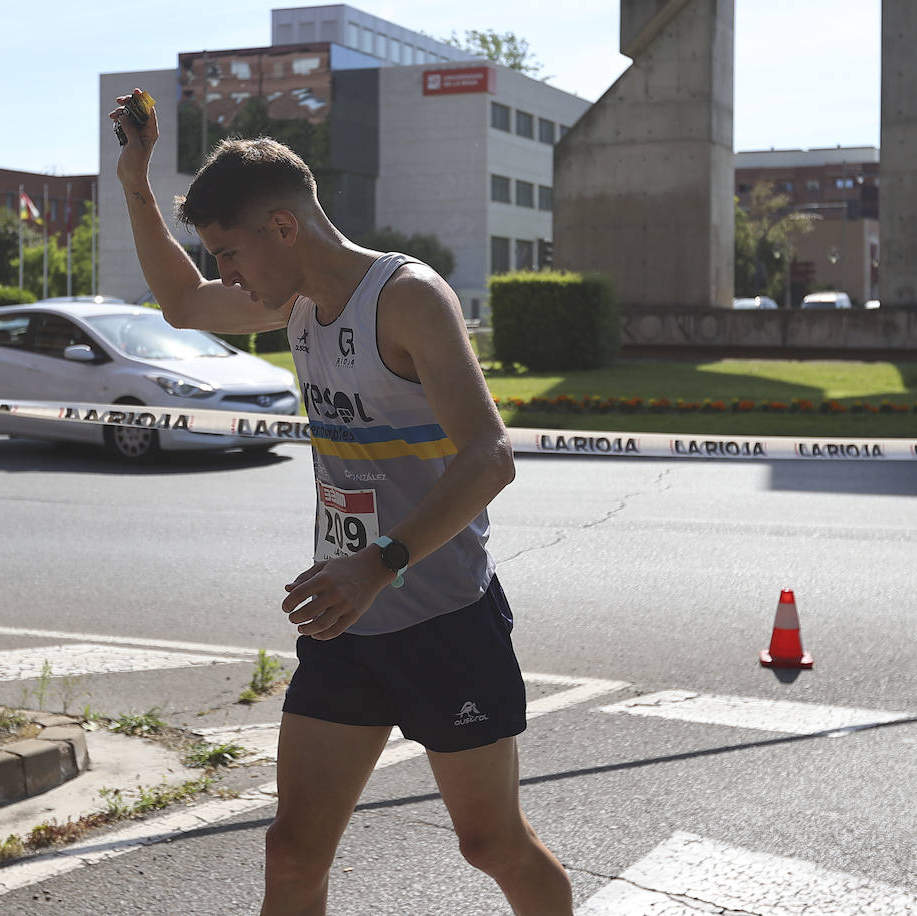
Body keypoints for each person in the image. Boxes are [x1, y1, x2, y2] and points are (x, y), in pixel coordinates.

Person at [110, 90, 573, 916]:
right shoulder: (291, 303)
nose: (226, 274)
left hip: (442, 616)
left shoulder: (407, 298)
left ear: (283, 228)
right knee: (291, 852)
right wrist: (136, 185)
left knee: (490, 843)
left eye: (230, 252)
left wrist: (380, 563)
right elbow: (182, 304)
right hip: (345, 624)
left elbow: (490, 457)